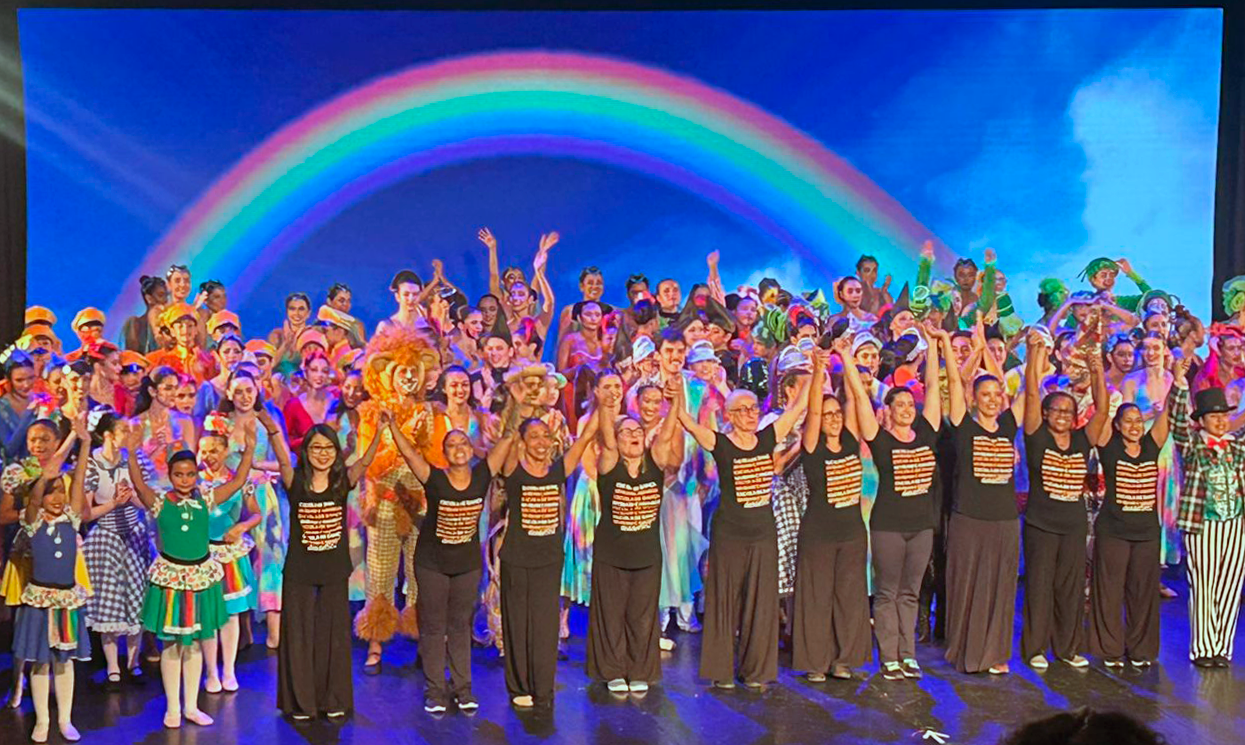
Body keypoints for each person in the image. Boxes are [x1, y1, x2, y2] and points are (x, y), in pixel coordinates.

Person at [677, 367, 810, 688]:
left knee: (761, 602)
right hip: (730, 532)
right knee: (725, 600)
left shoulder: (767, 438)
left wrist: (817, 366)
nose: (752, 414)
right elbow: (686, 421)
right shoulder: (720, 443)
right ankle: (721, 671)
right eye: (744, 410)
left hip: (763, 532)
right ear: (730, 415)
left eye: (754, 408)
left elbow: (797, 410)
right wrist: (675, 389)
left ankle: (756, 671)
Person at [126, 421, 255, 729]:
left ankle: (191, 706)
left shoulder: (205, 499)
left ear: (197, 475)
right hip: (172, 579)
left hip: (200, 578)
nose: (184, 480)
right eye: (178, 474)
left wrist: (249, 449)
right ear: (170, 476)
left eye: (190, 474)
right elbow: (139, 484)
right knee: (172, 644)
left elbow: (237, 483)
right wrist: (131, 451)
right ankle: (172, 708)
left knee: (195, 643)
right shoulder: (160, 502)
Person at [389, 409, 516, 713]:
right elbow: (408, 454)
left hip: (466, 565)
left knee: (460, 626)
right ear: (444, 453)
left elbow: (509, 437)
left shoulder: (483, 474)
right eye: (452, 445)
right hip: (432, 563)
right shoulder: (435, 479)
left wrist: (517, 403)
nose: (459, 449)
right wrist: (392, 425)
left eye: (463, 444)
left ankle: (463, 688)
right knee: (433, 628)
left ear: (471, 450)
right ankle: (435, 691)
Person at [272, 407, 381, 720]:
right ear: (306, 451)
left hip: (333, 569)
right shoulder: (295, 480)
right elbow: (281, 456)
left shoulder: (341, 482)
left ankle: (333, 699)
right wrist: (269, 427)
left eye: (329, 448)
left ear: (336, 451)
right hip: (300, 570)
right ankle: (300, 702)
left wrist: (377, 433)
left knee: (334, 635)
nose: (322, 454)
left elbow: (365, 461)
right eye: (316, 447)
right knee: (299, 634)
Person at [849, 325, 944, 679]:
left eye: (909, 404)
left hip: (921, 527)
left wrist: (935, 345)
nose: (906, 409)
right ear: (887, 410)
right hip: (888, 526)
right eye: (898, 404)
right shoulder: (882, 441)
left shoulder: (927, 434)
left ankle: (909, 655)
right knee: (888, 592)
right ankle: (889, 656)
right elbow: (860, 399)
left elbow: (934, 388)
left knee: (911, 593)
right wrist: (846, 356)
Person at [497, 409, 599, 710]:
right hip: (517, 558)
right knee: (518, 623)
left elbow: (584, 440)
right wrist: (518, 404)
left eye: (545, 435)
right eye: (534, 436)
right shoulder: (515, 472)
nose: (541, 442)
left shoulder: (557, 471)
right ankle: (519, 686)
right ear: (523, 442)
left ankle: (543, 685)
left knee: (545, 626)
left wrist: (602, 404)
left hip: (548, 560)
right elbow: (509, 436)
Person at [585, 378, 682, 694]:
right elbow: (607, 439)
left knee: (642, 617)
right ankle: (613, 670)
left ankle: (640, 669)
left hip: (646, 556)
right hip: (612, 555)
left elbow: (667, 432)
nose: (633, 436)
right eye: (626, 432)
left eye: (637, 431)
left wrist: (676, 398)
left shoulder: (654, 464)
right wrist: (605, 404)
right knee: (612, 615)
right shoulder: (610, 463)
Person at [1021, 329, 1109, 671]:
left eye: (1068, 412)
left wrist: (1096, 366)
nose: (1062, 416)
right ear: (1045, 414)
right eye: (1056, 411)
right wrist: (1032, 356)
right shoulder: (1036, 437)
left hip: (1072, 525)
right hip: (1041, 525)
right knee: (1040, 588)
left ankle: (1068, 648)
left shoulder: (1081, 439)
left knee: (1070, 590)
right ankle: (1035, 649)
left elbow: (1102, 410)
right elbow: (1030, 392)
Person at [1089, 367, 1178, 667]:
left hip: (1146, 533)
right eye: (1127, 421)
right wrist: (1095, 370)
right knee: (1110, 592)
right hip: (1113, 530)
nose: (1134, 426)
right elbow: (1100, 409)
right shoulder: (1109, 446)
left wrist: (1177, 375)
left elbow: (1166, 412)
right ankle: (1111, 650)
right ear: (1117, 425)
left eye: (1138, 421)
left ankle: (1140, 651)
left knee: (1143, 594)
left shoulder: (1152, 446)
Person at [793, 345, 870, 682]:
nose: (835, 418)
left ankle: (843, 659)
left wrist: (846, 357)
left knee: (849, 598)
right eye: (829, 415)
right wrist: (818, 371)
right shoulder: (813, 447)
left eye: (836, 413)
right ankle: (815, 661)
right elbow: (811, 413)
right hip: (820, 534)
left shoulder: (851, 441)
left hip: (852, 532)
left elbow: (855, 398)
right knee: (817, 597)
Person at [13, 415, 91, 743]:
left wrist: (84, 441)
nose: (57, 498)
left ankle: (65, 719)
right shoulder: (32, 522)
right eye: (51, 493)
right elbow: (32, 498)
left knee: (65, 662)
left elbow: (80, 475)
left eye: (61, 492)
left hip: (66, 600)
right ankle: (42, 720)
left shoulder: (70, 519)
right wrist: (42, 482)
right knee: (40, 663)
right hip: (40, 600)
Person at [1169, 372, 1245, 667]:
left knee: (1230, 585)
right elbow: (1176, 424)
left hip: (1235, 522)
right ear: (1201, 421)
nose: (1220, 421)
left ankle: (1222, 649)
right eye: (1213, 416)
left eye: (1224, 415)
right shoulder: (1193, 445)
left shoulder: (1237, 447)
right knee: (1204, 584)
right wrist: (1178, 383)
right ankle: (1204, 648)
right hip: (1204, 524)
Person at [80, 411, 153, 688]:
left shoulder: (136, 459)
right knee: (107, 602)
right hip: (106, 536)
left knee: (137, 599)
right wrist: (113, 503)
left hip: (133, 535)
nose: (130, 434)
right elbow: (85, 514)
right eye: (124, 430)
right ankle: (113, 666)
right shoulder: (91, 464)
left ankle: (133, 662)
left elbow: (148, 503)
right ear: (109, 434)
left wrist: (131, 497)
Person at [196, 414, 261, 694]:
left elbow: (256, 513)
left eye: (214, 450)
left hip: (230, 555)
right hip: (202, 555)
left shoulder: (238, 481)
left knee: (231, 616)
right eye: (204, 450)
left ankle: (229, 669)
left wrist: (242, 526)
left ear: (225, 451)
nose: (208, 455)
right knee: (208, 616)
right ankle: (211, 672)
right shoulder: (193, 482)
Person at [120, 275, 169, 354]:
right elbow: (132, 356)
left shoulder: (169, 323)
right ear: (149, 298)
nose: (165, 300)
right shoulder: (135, 324)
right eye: (161, 296)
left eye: (166, 295)